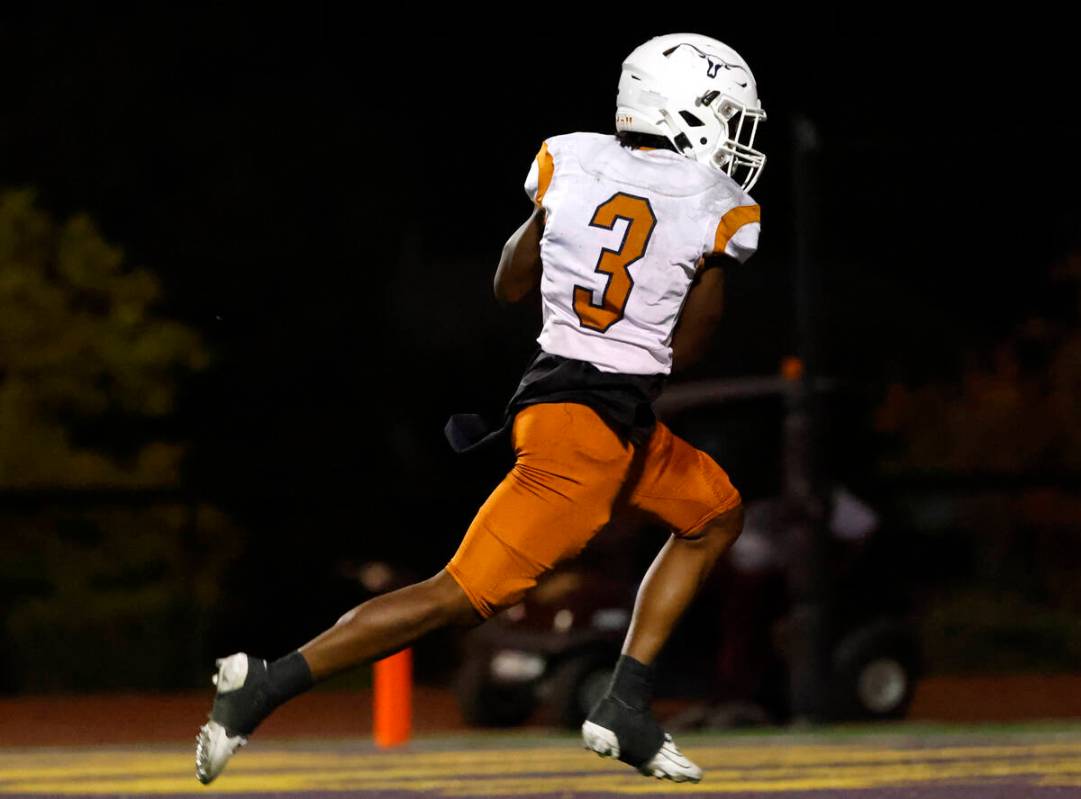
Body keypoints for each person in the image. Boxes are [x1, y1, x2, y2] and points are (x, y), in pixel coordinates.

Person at [196, 32, 765, 786]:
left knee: (713, 511)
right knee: (455, 596)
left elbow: (507, 284)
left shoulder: (569, 157)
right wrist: (710, 266)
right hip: (587, 435)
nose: (735, 132)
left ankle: (625, 701)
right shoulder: (720, 207)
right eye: (726, 113)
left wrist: (550, 216)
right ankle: (262, 685)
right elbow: (689, 346)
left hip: (577, 406)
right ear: (688, 111)